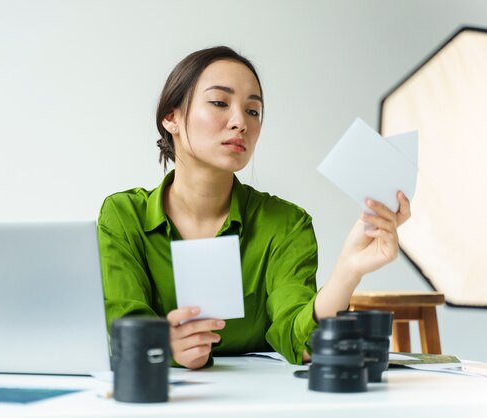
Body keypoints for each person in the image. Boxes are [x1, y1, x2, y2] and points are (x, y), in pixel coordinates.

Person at [97, 46, 411, 369]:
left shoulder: (287, 224)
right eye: (220, 103)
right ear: (171, 117)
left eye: (253, 111)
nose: (240, 123)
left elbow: (300, 340)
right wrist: (163, 343)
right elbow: (121, 326)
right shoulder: (123, 217)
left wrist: (348, 270)